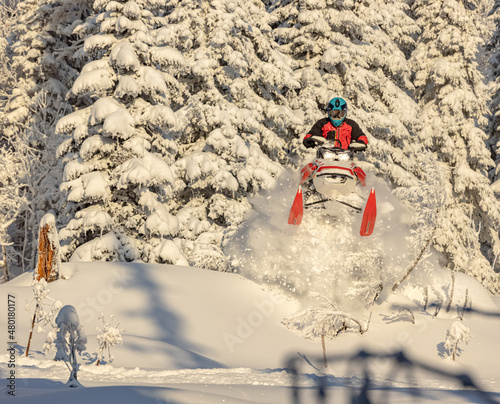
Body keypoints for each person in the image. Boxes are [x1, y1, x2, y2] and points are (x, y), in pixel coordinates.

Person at [303, 97, 368, 151]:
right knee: (311, 166)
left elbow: (362, 136)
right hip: (324, 155)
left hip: (345, 156)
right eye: (334, 113)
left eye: (340, 114)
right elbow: (311, 134)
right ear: (329, 112)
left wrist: (361, 143)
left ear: (345, 113)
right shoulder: (322, 123)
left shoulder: (351, 124)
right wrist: (309, 140)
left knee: (357, 167)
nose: (337, 116)